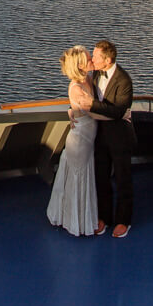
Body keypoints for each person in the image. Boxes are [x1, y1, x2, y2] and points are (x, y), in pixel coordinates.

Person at [45, 46, 98, 236]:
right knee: (78, 177)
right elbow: (96, 112)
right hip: (79, 140)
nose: (92, 59)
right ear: (80, 65)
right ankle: (75, 221)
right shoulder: (76, 88)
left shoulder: (89, 80)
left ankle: (82, 218)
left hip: (88, 137)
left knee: (84, 175)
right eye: (88, 58)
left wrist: (71, 110)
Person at [90, 39, 135, 237]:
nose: (92, 59)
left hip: (119, 137)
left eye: (96, 56)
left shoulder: (124, 80)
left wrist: (89, 104)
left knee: (122, 178)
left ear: (107, 60)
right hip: (99, 136)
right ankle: (104, 218)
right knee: (101, 177)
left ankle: (123, 221)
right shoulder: (94, 75)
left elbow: (118, 112)